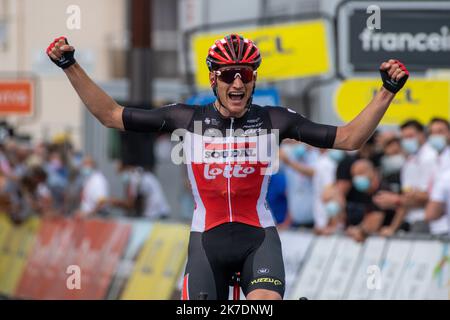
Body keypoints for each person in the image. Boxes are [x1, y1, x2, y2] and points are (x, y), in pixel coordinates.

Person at [46, 34, 409, 300]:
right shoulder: (185, 118)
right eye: (229, 74)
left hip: (259, 238)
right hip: (207, 239)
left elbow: (348, 139)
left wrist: (387, 91)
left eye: (246, 75)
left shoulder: (275, 120)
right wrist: (70, 65)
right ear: (213, 79)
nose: (237, 81)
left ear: (253, 81)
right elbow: (110, 115)